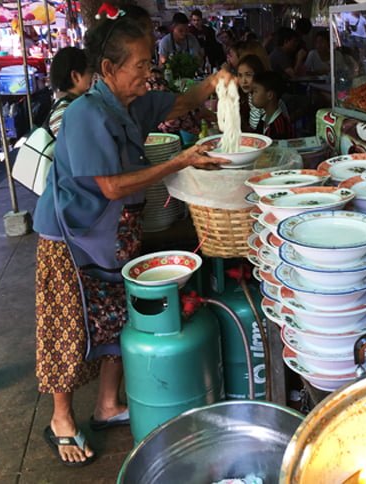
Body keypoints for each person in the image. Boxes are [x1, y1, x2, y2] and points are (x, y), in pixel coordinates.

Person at [32, 12, 231, 467]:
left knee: (117, 317)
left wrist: (216, 80)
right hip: (72, 236)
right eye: (140, 64)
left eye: (149, 61)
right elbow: (111, 187)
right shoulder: (86, 114)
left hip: (112, 233)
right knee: (68, 326)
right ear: (108, 70)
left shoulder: (130, 104)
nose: (149, 71)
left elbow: (180, 102)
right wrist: (179, 161)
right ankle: (61, 418)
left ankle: (106, 405)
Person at [47, 47, 93, 136]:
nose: (92, 77)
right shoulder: (64, 112)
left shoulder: (70, 105)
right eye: (90, 72)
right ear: (75, 76)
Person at [251, 71, 295, 139]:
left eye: (255, 91)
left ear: (270, 95)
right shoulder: (264, 118)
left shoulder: (279, 125)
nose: (252, 95)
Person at [237, 54, 265, 132]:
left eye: (248, 75)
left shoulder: (263, 96)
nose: (243, 81)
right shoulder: (250, 94)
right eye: (240, 75)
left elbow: (256, 131)